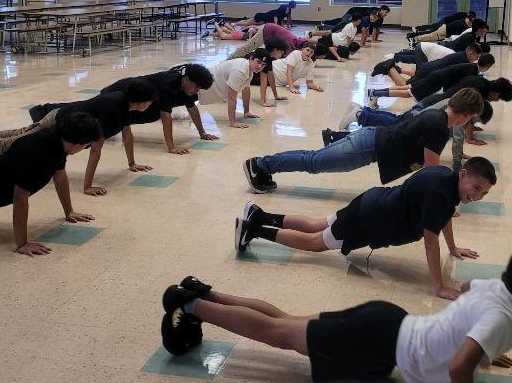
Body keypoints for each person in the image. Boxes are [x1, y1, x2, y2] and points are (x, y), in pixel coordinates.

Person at [161, 247, 512, 383]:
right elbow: (458, 369)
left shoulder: (494, 287)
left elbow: (467, 294)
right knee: (279, 334)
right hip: (377, 344)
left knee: (285, 322)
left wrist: (481, 346)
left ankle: (205, 293)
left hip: (388, 321)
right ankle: (191, 305)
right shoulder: (504, 318)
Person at [235, 159, 495, 298]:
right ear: (463, 175)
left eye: (484, 192)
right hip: (371, 219)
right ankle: (253, 229)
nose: (478, 195)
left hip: (371, 201)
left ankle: (262, 215)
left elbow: (445, 217)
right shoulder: (441, 194)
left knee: (317, 224)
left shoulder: (445, 179)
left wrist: (453, 247)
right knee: (315, 243)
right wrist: (438, 286)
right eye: (476, 188)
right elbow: (430, 240)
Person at [0, 82, 156, 197]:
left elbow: (128, 136)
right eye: (149, 102)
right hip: (57, 122)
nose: (150, 106)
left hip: (60, 115)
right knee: (10, 145)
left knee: (14, 135)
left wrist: (132, 163)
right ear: (141, 102)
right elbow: (95, 149)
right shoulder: (113, 112)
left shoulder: (123, 102)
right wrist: (87, 186)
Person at [242, 87, 483, 192]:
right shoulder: (438, 127)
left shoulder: (437, 116)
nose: (470, 123)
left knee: (314, 160)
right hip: (367, 146)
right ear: (466, 115)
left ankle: (264, 165)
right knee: (313, 162)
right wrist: (449, 196)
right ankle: (261, 165)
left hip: (370, 143)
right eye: (472, 118)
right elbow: (431, 172)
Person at [0, 111, 102, 256]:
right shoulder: (39, 155)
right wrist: (22, 243)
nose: (86, 148)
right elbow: (20, 198)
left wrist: (69, 211)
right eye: (87, 145)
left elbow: (60, 176)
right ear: (76, 145)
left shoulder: (58, 139)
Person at [100, 64, 216, 153]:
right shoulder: (167, 86)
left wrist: (202, 133)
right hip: (119, 92)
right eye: (197, 86)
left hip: (140, 101)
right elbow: (166, 117)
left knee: (151, 115)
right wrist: (172, 147)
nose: (197, 91)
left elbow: (192, 108)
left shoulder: (188, 89)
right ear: (186, 79)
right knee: (103, 118)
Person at [198, 50, 267, 128]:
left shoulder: (249, 71)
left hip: (208, 86)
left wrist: (246, 112)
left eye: (263, 64)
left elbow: (246, 91)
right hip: (201, 84)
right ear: (251, 58)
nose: (259, 66)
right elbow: (231, 97)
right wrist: (233, 122)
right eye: (258, 62)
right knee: (184, 99)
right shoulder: (240, 70)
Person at [227, 23, 309, 60]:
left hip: (270, 30)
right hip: (267, 30)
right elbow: (286, 59)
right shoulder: (290, 44)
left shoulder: (295, 41)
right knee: (247, 48)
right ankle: (229, 59)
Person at [409, 12, 476, 45]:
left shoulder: (464, 18)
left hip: (446, 25)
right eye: (471, 19)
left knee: (431, 32)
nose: (471, 21)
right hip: (445, 24)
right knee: (431, 32)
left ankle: (414, 35)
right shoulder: (463, 18)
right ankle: (415, 34)